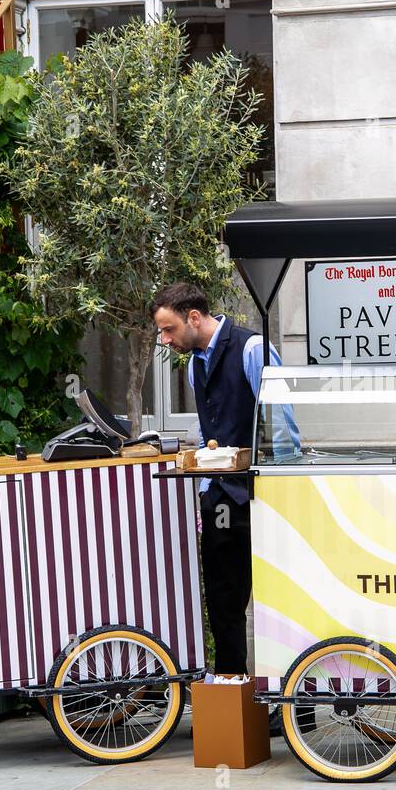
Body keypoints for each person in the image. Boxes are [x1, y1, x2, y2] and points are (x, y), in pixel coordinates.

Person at [150, 282, 286, 678]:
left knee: (279, 600)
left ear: (194, 317)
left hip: (261, 493)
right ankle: (232, 694)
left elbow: (282, 423)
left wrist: (278, 486)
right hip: (219, 495)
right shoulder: (195, 363)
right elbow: (210, 421)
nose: (165, 339)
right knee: (224, 600)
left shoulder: (251, 349)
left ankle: (293, 706)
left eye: (168, 329)